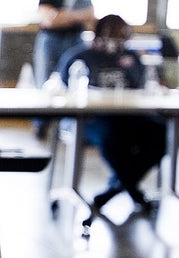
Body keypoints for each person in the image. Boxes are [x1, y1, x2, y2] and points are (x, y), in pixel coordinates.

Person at [56, 14, 167, 215]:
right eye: (110, 34)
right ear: (97, 34)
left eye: (121, 35)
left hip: (128, 116)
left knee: (161, 131)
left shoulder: (132, 58)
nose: (116, 40)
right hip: (90, 118)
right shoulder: (79, 57)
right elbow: (62, 89)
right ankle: (131, 190)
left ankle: (114, 190)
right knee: (114, 137)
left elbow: (142, 88)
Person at [32, 0, 96, 137]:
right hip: (50, 41)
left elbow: (89, 16)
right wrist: (75, 15)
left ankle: (68, 127)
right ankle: (41, 124)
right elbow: (49, 21)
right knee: (43, 82)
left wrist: (62, 16)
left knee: (72, 82)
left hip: (74, 41)